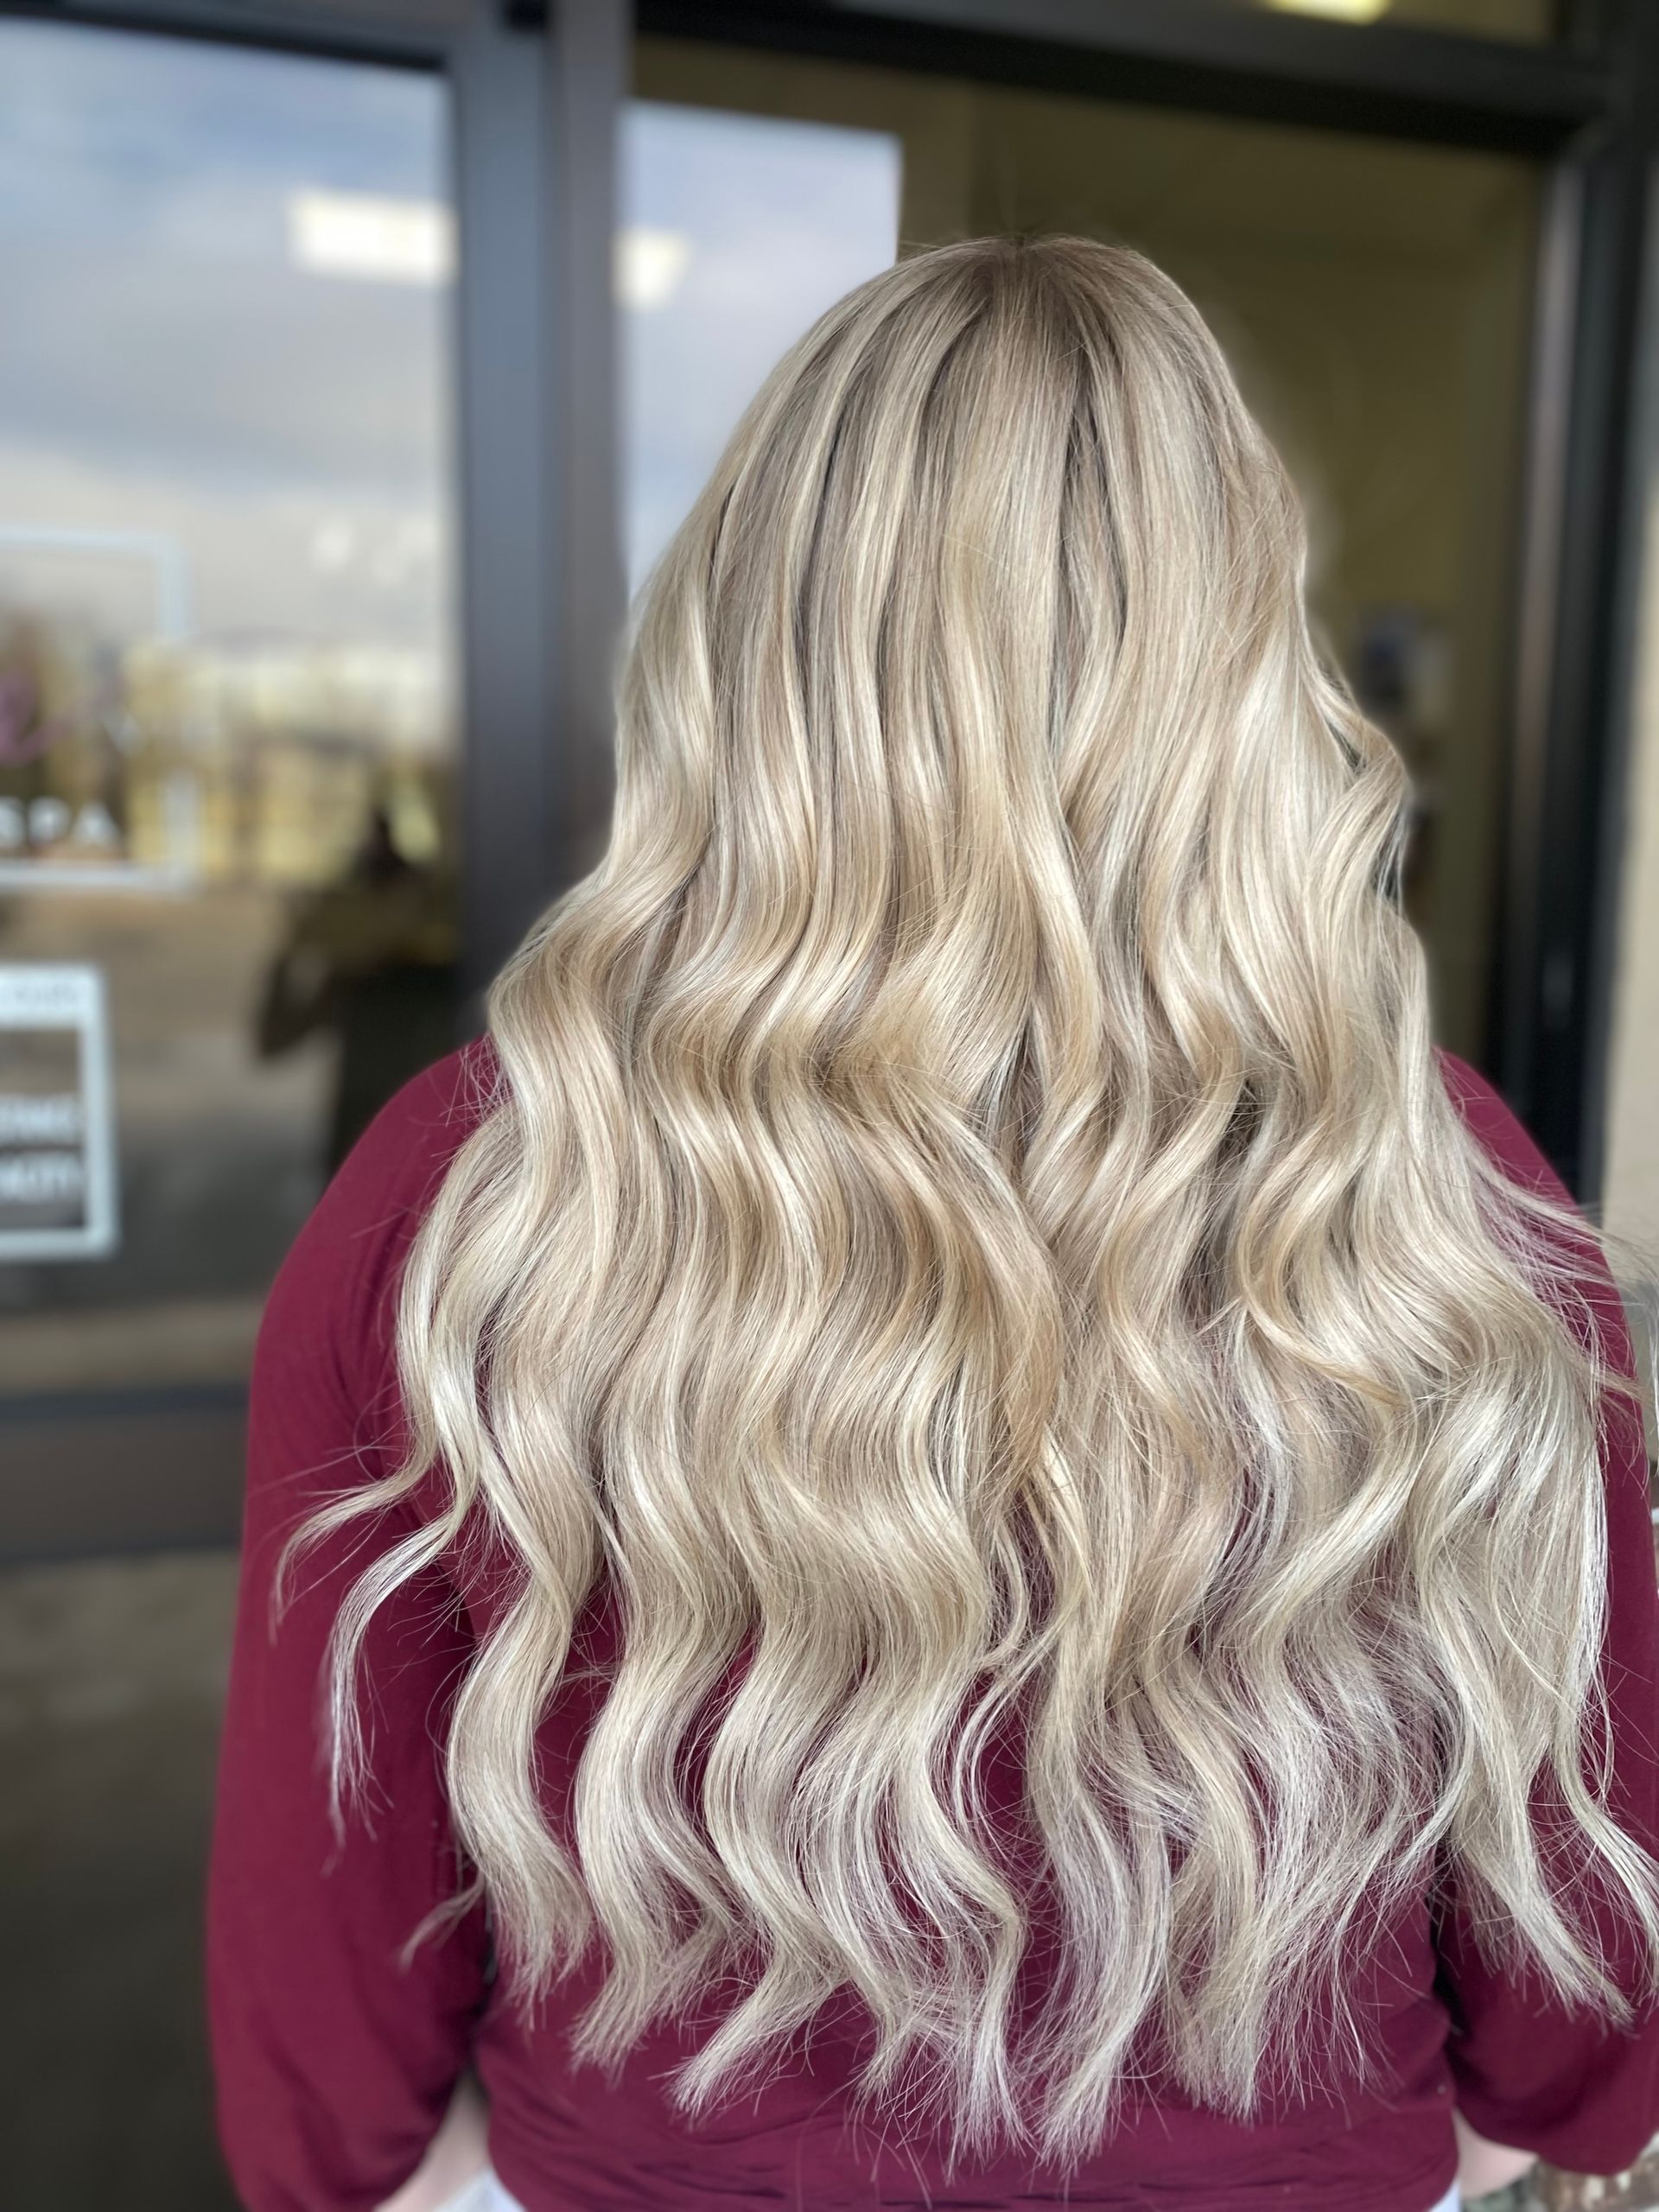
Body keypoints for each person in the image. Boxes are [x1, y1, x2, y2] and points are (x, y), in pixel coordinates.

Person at [206, 234, 1659, 2212]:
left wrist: (402, 2161)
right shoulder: (1442, 1192)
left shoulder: (471, 1191)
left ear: (739, 649)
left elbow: (325, 1970)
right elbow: (1582, 1984)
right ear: (1242, 664)